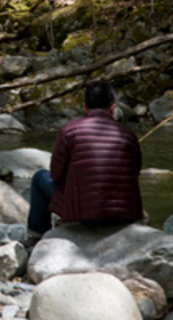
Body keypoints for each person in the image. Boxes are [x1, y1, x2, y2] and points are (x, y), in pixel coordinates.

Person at [27, 80, 143, 241]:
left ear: (84, 107)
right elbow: (134, 173)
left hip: (86, 215)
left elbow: (56, 176)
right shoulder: (128, 134)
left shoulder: (69, 130)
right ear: (113, 108)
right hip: (124, 214)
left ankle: (36, 238)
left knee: (40, 178)